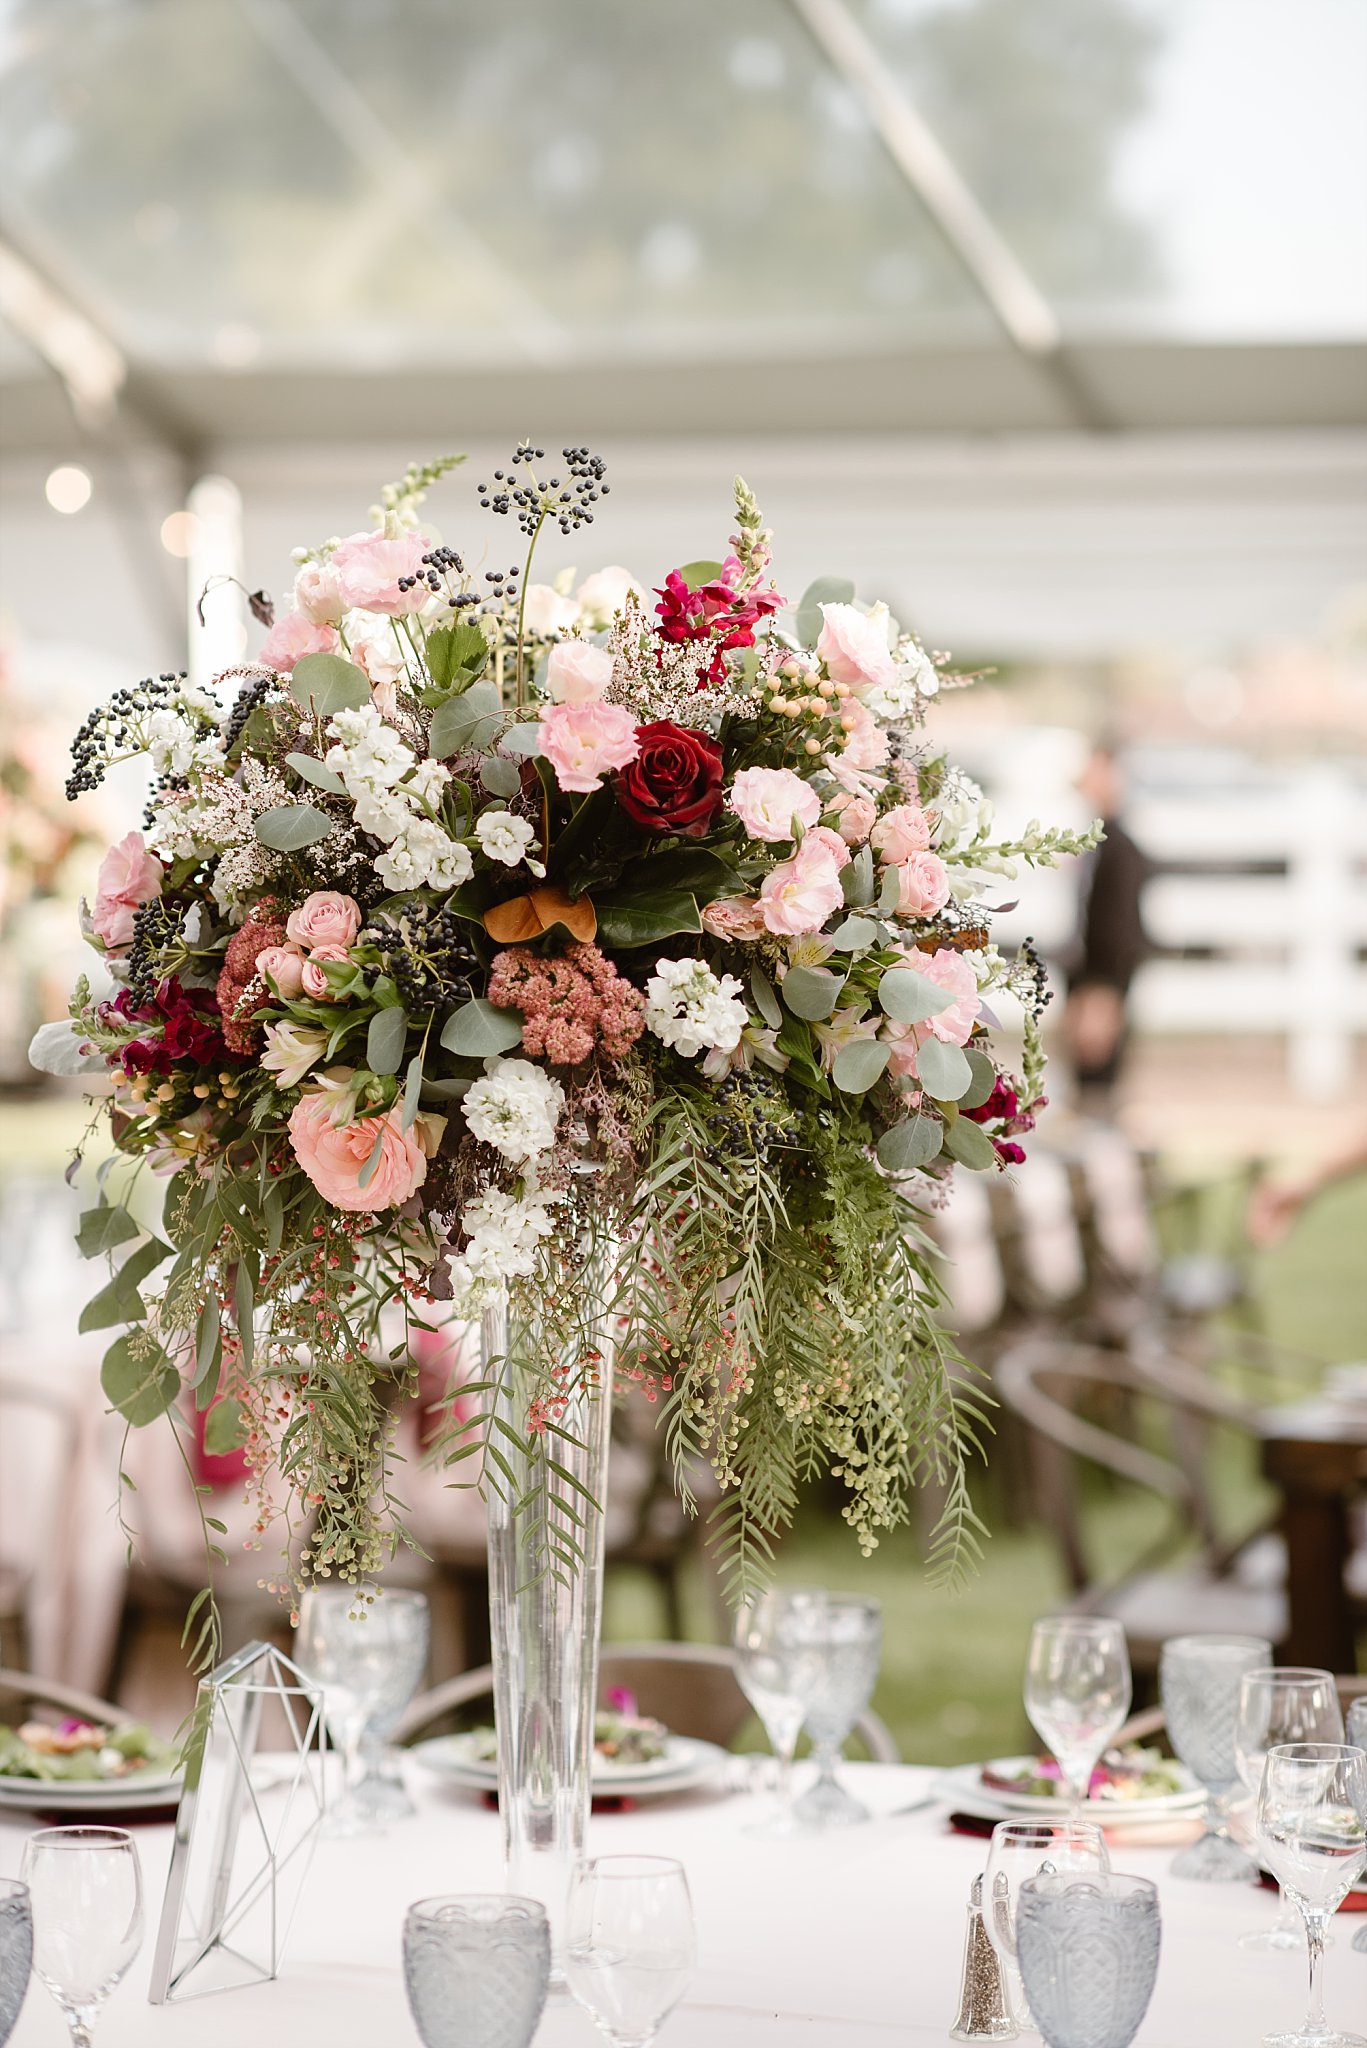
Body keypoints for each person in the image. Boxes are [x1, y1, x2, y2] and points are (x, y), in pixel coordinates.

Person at [1061, 740, 1151, 1104]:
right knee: (1085, 1083)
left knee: (1098, 1084)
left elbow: (1121, 929)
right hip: (1088, 975)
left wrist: (1103, 993)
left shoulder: (1122, 849)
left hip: (1104, 978)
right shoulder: (1097, 842)